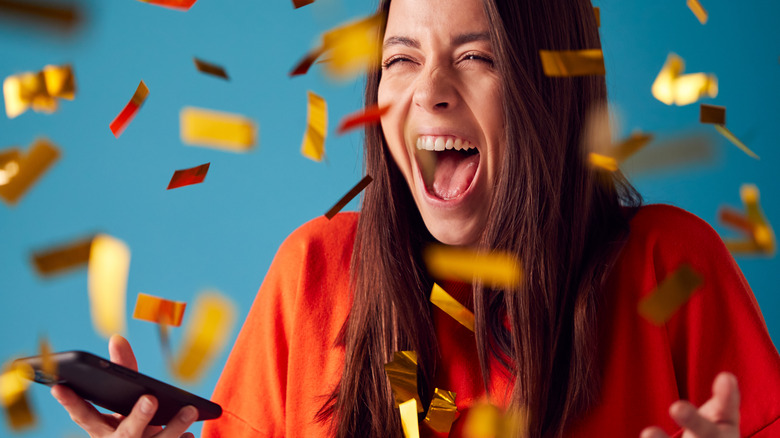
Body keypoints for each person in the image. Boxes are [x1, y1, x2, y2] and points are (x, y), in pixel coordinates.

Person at [52, 0, 780, 437]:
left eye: (477, 56)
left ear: (550, 89)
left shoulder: (671, 268)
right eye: (401, 58)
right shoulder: (314, 271)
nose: (428, 92)